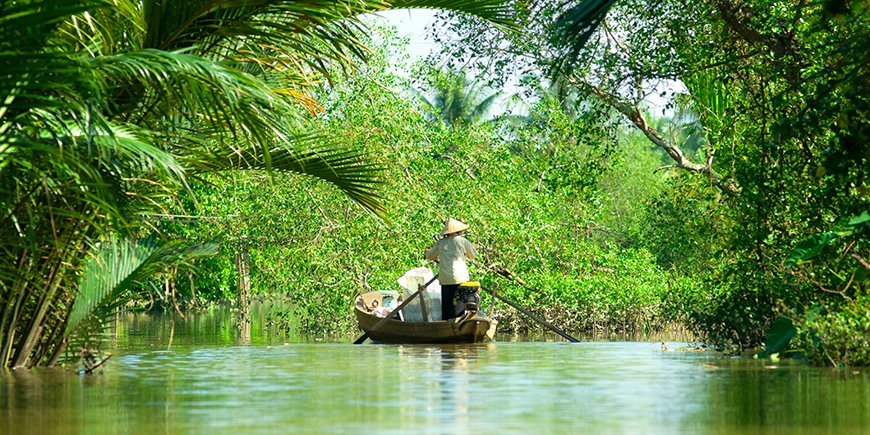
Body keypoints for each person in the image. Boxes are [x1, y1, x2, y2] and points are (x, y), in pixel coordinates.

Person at [425, 218, 478, 320]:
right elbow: (472, 256)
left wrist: (427, 251)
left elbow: (430, 256)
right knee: (459, 304)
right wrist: (472, 248)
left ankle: (446, 324)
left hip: (445, 278)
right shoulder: (463, 241)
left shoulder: (441, 243)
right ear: (458, 231)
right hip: (460, 278)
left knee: (447, 305)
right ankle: (458, 324)